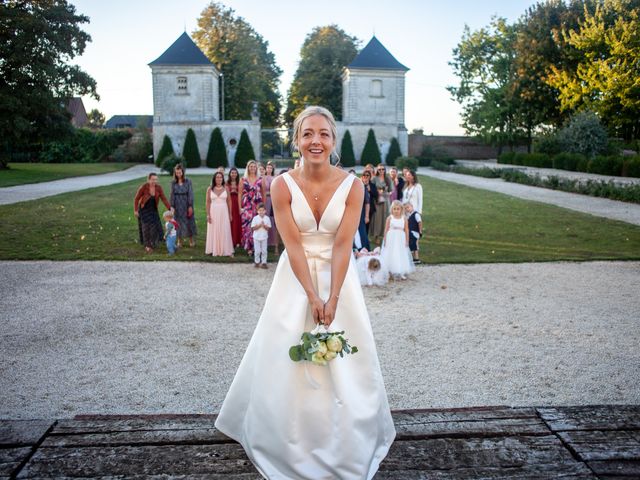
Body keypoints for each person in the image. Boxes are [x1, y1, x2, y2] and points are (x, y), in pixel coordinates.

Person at [215, 106, 395, 479]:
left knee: (345, 359)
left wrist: (333, 298)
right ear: (296, 140)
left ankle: (346, 434)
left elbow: (344, 244)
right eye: (308, 133)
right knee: (285, 351)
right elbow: (293, 246)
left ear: (334, 141)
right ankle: (285, 433)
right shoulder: (280, 185)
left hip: (338, 276)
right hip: (295, 278)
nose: (316, 141)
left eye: (324, 134)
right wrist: (313, 296)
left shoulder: (353, 185)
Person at [133, 172, 171, 253]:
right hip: (144, 210)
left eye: (156, 179)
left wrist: (170, 208)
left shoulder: (158, 188)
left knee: (154, 227)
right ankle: (147, 246)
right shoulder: (143, 187)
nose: (154, 181)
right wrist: (136, 210)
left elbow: (164, 198)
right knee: (146, 227)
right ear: (149, 179)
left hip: (153, 209)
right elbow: (136, 199)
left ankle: (152, 243)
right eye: (153, 179)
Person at [381, 200, 415, 280]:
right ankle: (389, 271)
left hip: (400, 238)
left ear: (401, 209)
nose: (396, 211)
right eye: (394, 209)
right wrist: (385, 239)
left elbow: (406, 230)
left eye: (398, 209)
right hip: (391, 238)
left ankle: (400, 271)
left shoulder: (404, 218)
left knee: (400, 253)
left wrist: (407, 240)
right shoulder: (390, 218)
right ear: (392, 209)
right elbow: (386, 230)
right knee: (391, 253)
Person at [205, 172, 234, 257]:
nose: (219, 179)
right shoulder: (210, 189)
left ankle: (226, 249)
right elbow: (207, 202)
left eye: (220, 177)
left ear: (222, 179)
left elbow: (229, 201)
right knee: (213, 229)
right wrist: (208, 215)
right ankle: (213, 249)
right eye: (217, 177)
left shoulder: (226, 188)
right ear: (214, 179)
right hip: (213, 211)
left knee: (224, 229)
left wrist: (230, 213)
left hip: (224, 211)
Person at [239, 160, 263, 256]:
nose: (252, 168)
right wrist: (240, 207)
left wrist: (263, 206)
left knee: (256, 226)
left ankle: (256, 246)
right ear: (248, 168)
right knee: (247, 226)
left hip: (257, 206)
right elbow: (240, 194)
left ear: (256, 168)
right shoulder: (243, 179)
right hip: (246, 206)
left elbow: (263, 193)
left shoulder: (260, 179)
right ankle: (249, 247)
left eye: (254, 166)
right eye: (251, 166)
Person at [170, 164, 196, 248]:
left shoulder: (188, 181)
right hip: (177, 204)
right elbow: (172, 195)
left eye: (180, 172)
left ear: (182, 172)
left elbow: (190, 193)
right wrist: (172, 206)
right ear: (175, 173)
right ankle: (179, 240)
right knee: (177, 222)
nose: (178, 174)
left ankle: (191, 239)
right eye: (177, 172)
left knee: (189, 221)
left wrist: (190, 205)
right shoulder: (173, 182)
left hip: (186, 203)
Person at [369, 164, 392, 246]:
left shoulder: (388, 178)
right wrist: (377, 192)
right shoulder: (374, 178)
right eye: (379, 170)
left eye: (383, 169)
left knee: (385, 218)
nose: (381, 171)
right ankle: (376, 236)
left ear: (385, 170)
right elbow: (371, 189)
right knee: (377, 218)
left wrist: (386, 193)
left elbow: (391, 190)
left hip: (386, 201)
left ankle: (385, 235)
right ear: (377, 170)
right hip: (377, 201)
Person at [263, 161, 280, 254]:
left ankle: (274, 244)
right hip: (265, 201)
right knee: (265, 219)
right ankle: (265, 243)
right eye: (268, 167)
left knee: (273, 222)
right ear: (266, 169)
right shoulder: (263, 178)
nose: (269, 169)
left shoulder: (275, 178)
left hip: (273, 201)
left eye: (271, 168)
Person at [251, 203, 271, 268]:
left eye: (263, 210)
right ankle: (257, 262)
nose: (261, 212)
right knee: (257, 251)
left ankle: (264, 262)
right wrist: (259, 225)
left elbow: (268, 228)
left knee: (264, 250)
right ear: (257, 211)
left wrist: (264, 225)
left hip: (264, 237)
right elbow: (253, 228)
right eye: (260, 210)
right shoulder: (255, 218)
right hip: (256, 237)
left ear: (265, 211)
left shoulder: (267, 218)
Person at [226, 167, 242, 248]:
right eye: (232, 173)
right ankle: (231, 240)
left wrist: (236, 192)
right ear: (230, 174)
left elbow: (242, 193)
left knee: (237, 221)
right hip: (229, 202)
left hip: (237, 202)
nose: (234, 174)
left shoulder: (240, 182)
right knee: (231, 221)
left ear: (237, 174)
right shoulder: (226, 183)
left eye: (235, 173)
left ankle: (238, 240)